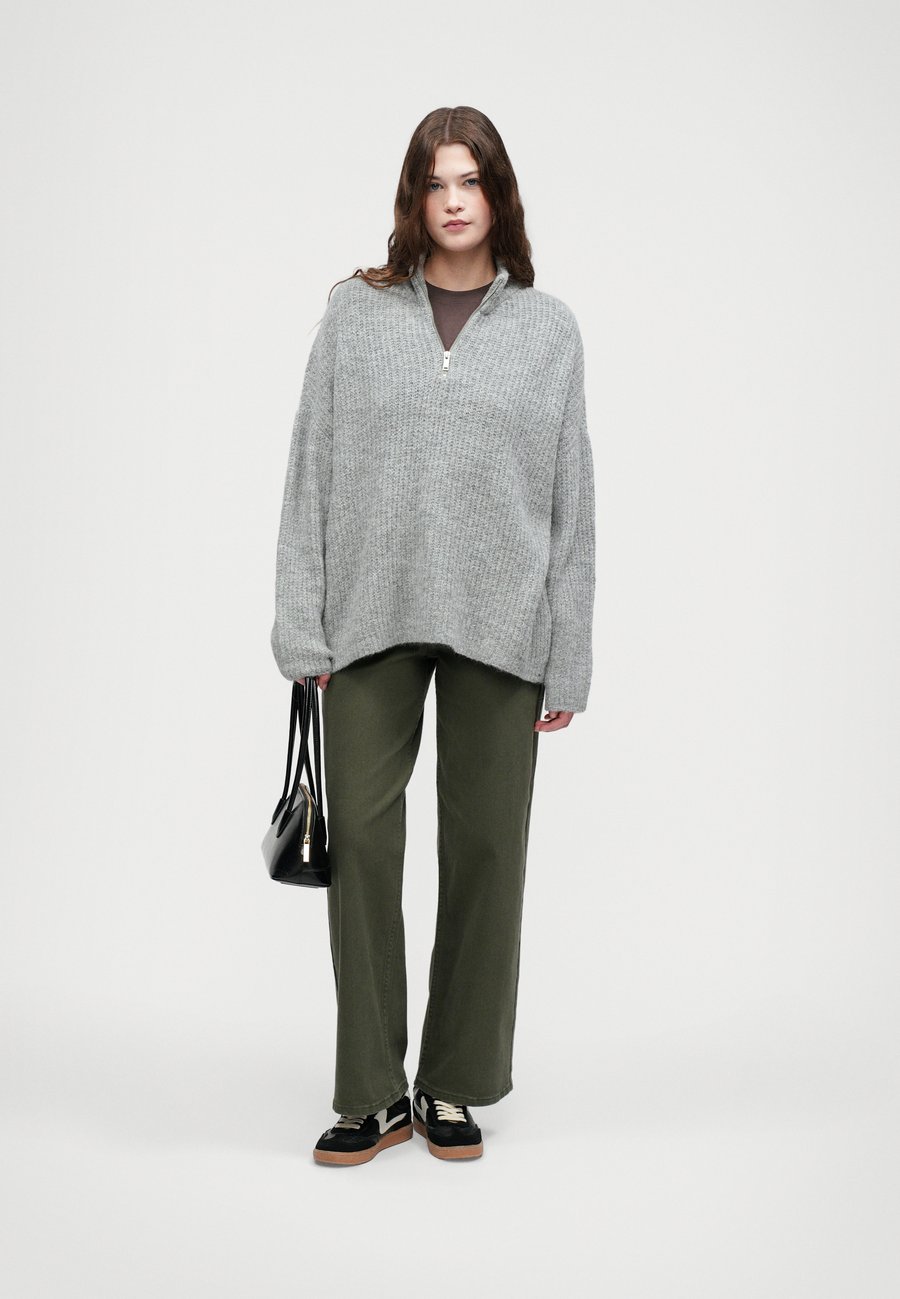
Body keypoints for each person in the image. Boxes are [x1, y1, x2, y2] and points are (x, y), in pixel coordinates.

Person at [270, 105, 596, 1166]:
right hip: (370, 614)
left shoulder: (548, 330)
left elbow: (572, 501)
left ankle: (453, 1081)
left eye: (471, 180)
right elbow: (310, 469)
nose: (453, 200)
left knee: (488, 849)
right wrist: (301, 623)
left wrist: (570, 651)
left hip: (505, 623)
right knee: (364, 845)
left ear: (498, 194)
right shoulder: (355, 315)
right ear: (414, 197)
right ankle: (373, 1091)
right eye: (435, 181)